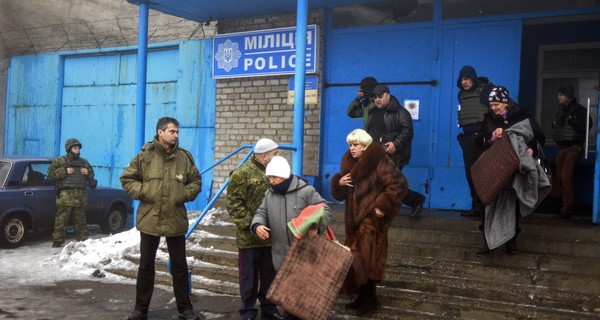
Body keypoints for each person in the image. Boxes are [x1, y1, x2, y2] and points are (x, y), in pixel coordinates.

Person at [120, 117, 202, 320]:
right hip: (150, 218)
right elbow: (127, 178)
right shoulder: (144, 156)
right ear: (160, 132)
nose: (176, 135)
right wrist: (144, 191)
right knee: (146, 266)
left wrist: (182, 195)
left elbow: (196, 181)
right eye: (172, 131)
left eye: (177, 132)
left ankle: (185, 309)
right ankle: (140, 310)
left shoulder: (184, 158)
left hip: (175, 218)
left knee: (180, 266)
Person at [330, 129, 407, 316]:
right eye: (350, 145)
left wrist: (383, 205)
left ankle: (370, 300)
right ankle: (363, 298)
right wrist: (338, 183)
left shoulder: (379, 161)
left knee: (367, 260)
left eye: (356, 145)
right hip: (353, 220)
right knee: (358, 260)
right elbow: (341, 193)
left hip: (371, 220)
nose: (352, 148)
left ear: (365, 146)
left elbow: (399, 183)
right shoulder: (349, 162)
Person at [251, 156, 332, 320]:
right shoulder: (269, 194)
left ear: (284, 175)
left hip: (305, 255)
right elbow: (261, 213)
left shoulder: (306, 191)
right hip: (281, 256)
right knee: (288, 301)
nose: (271, 181)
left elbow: (325, 209)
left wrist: (315, 225)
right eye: (269, 177)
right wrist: (257, 225)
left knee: (304, 300)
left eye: (274, 177)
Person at [474, 86, 550, 256]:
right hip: (494, 168)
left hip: (514, 168)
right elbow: (478, 141)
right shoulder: (488, 119)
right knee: (487, 202)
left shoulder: (522, 116)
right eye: (491, 105)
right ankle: (487, 241)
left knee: (513, 203)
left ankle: (511, 242)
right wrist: (491, 137)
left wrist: (531, 149)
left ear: (506, 102)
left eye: (496, 104)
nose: (493, 108)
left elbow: (538, 136)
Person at [226, 138, 283, 320]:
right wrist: (252, 226)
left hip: (271, 237)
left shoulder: (276, 173)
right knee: (248, 279)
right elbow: (234, 205)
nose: (278, 156)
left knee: (269, 276)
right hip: (249, 239)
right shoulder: (241, 174)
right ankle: (248, 311)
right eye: (275, 153)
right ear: (264, 156)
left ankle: (269, 308)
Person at [366, 83, 426, 217]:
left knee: (388, 183)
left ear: (388, 95)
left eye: (380, 96)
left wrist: (395, 143)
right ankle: (415, 200)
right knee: (385, 183)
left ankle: (414, 201)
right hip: (375, 154)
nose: (377, 100)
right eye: (375, 97)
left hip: (393, 156)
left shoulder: (400, 112)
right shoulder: (373, 112)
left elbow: (408, 131)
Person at [48, 138, 97, 247]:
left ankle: (82, 240)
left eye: (78, 148)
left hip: (80, 198)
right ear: (69, 149)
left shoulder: (84, 162)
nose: (77, 150)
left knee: (81, 221)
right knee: (61, 221)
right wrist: (65, 171)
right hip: (65, 198)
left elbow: (92, 178)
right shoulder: (60, 161)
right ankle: (57, 241)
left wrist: (87, 173)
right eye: (75, 148)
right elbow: (51, 174)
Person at [456, 65, 491, 217]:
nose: (464, 82)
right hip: (467, 137)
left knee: (483, 173)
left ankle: (486, 206)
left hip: (482, 137)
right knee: (470, 173)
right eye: (462, 79)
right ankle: (476, 206)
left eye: (467, 79)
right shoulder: (461, 95)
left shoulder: (485, 90)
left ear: (473, 78)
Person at [552, 85, 592, 218]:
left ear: (568, 96)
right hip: (562, 147)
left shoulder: (579, 110)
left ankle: (567, 207)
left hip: (574, 147)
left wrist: (571, 120)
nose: (558, 97)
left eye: (561, 95)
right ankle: (568, 203)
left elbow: (587, 126)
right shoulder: (561, 110)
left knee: (565, 177)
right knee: (559, 178)